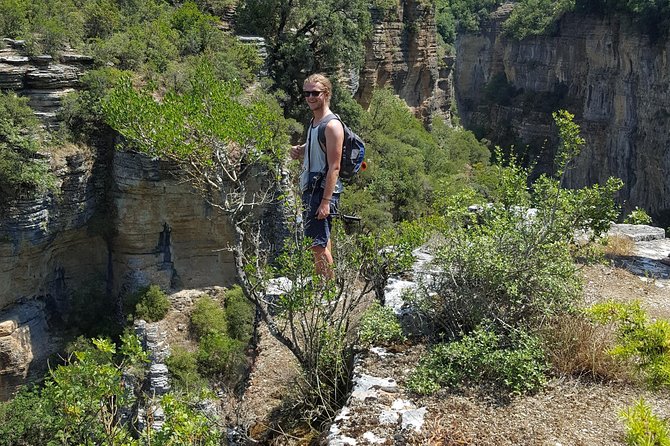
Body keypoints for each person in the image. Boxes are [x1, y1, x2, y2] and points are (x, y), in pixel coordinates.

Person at [290, 73, 344, 279]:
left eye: (315, 93)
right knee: (322, 240)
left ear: (326, 94)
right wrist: (301, 150)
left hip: (321, 191)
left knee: (316, 245)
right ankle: (324, 287)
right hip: (312, 189)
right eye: (306, 93)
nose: (310, 97)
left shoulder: (332, 125)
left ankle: (328, 292)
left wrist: (325, 201)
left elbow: (335, 167)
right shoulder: (315, 122)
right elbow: (318, 147)